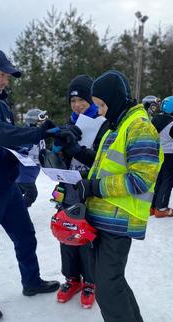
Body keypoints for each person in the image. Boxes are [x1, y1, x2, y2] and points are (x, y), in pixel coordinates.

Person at [0, 49, 81, 322]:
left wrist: (46, 139)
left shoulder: (1, 104)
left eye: (8, 76)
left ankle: (31, 281)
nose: (5, 81)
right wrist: (36, 131)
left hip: (9, 185)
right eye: (2, 74)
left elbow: (12, 139)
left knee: (26, 237)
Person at [76, 70, 163, 322]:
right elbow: (105, 167)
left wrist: (95, 187)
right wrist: (81, 182)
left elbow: (140, 180)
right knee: (110, 278)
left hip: (120, 217)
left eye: (100, 104)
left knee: (107, 283)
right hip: (104, 216)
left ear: (113, 100)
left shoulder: (139, 127)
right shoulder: (118, 125)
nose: (99, 111)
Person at [47, 74, 108, 308]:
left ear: (91, 100)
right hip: (68, 186)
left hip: (90, 189)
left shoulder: (103, 124)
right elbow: (59, 158)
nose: (77, 105)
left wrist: (77, 149)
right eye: (72, 101)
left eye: (81, 100)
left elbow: (102, 162)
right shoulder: (70, 123)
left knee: (87, 236)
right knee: (66, 231)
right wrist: (58, 149)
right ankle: (71, 278)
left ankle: (90, 281)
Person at [151, 96, 173, 217]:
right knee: (167, 182)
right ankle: (161, 209)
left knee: (158, 181)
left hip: (157, 155)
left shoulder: (155, 119)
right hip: (170, 156)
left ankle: (152, 206)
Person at [16, 109, 47, 207]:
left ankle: (11, 210)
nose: (44, 121)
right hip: (24, 172)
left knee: (18, 193)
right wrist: (23, 148)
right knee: (32, 193)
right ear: (33, 122)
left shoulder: (39, 133)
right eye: (41, 119)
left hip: (30, 172)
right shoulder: (29, 134)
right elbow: (20, 148)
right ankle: (19, 211)